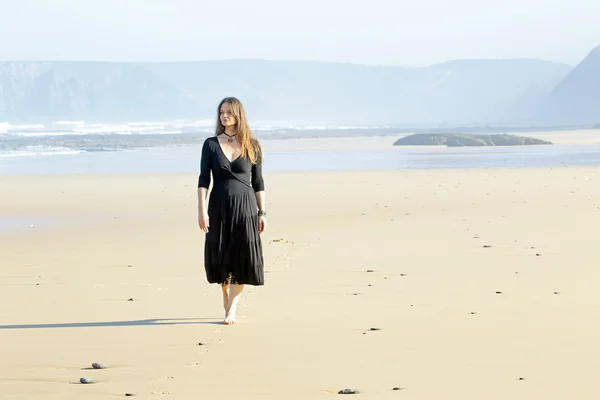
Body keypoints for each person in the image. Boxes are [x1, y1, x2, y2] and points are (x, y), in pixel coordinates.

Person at [197, 97, 267, 325]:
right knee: (220, 254)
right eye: (221, 112)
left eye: (228, 112)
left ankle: (232, 308)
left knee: (243, 256)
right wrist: (202, 211)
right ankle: (225, 293)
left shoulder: (252, 144)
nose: (224, 116)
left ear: (238, 114)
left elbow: (258, 182)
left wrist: (262, 212)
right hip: (217, 207)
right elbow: (203, 179)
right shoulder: (210, 144)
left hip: (246, 208)